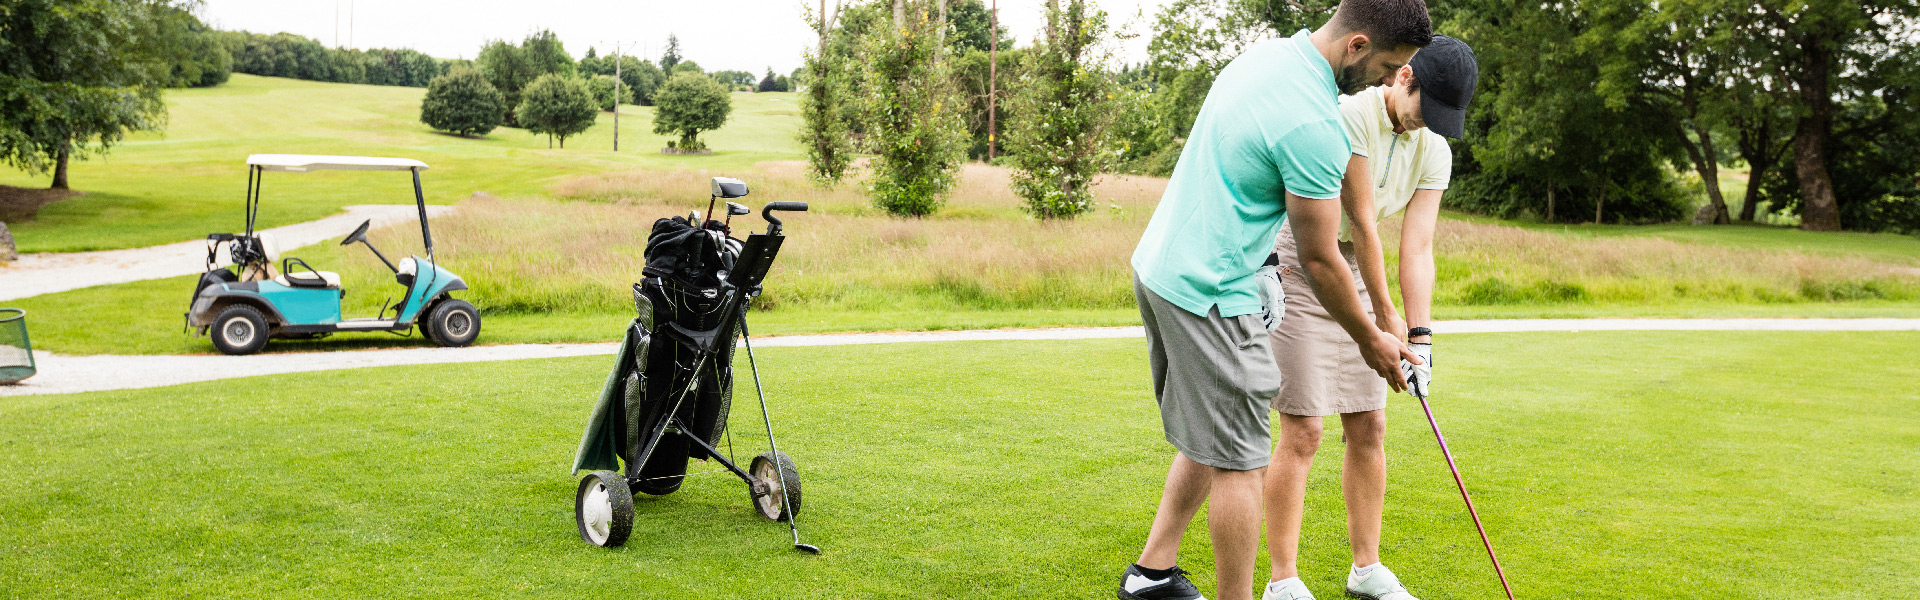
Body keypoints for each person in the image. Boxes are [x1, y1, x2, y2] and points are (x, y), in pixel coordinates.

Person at [1119, 2, 1433, 600]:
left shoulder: (1262, 57)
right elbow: (1319, 258)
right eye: (1389, 65)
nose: (1392, 80)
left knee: (1217, 434)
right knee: (1242, 460)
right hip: (1211, 291)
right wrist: (1372, 339)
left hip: (1160, 267)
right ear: (1358, 45)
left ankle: (1151, 574)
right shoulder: (1316, 125)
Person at [1260, 35, 1479, 600]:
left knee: (1369, 423)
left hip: (1362, 265)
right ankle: (1283, 580)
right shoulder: (1350, 115)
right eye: (1424, 109)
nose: (1424, 125)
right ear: (1404, 77)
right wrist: (1385, 319)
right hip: (1307, 259)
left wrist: (1422, 335)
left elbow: (1420, 246)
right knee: (1304, 427)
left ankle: (1366, 569)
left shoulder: (1434, 147)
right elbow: (1360, 220)